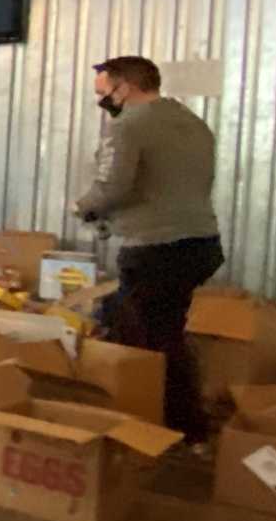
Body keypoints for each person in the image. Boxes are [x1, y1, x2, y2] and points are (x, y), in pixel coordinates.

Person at [74, 55, 223, 440]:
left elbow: (113, 186)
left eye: (104, 91)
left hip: (157, 248)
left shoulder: (127, 127)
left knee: (149, 343)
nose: (103, 100)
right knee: (156, 329)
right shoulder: (192, 123)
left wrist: (82, 207)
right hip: (201, 243)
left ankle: (171, 429)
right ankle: (178, 424)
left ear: (126, 86)